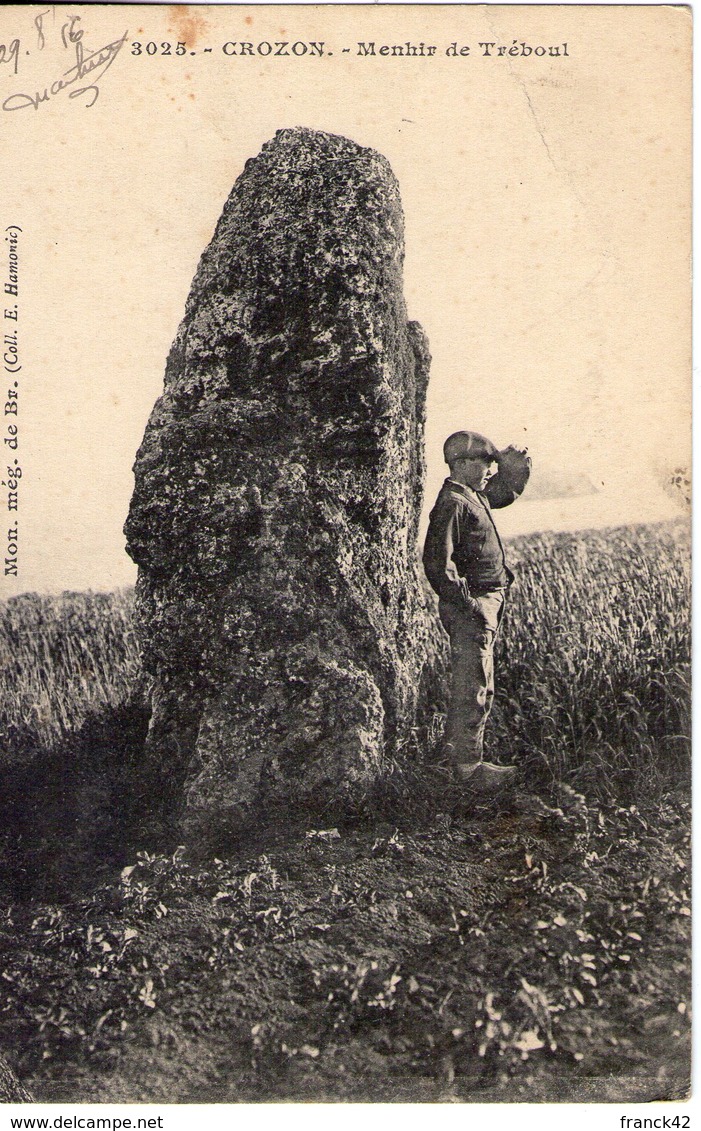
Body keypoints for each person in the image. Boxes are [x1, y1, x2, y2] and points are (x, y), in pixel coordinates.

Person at [423, 431, 531, 792]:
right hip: (473, 606)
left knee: (477, 681)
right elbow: (438, 565)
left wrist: (518, 470)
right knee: (473, 685)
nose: (491, 470)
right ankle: (468, 770)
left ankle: (460, 761)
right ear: (464, 464)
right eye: (487, 463)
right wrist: (469, 606)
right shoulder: (454, 502)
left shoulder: (472, 496)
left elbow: (503, 492)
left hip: (482, 603)